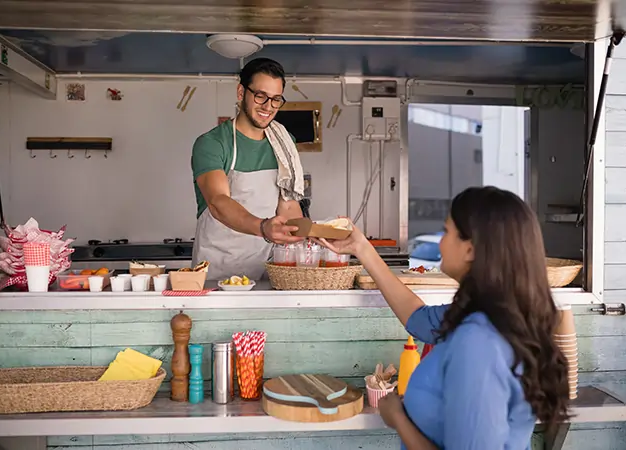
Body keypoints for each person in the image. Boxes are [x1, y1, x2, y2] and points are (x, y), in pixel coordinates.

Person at [317, 186, 570, 450]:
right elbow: (417, 319)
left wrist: (399, 420)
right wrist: (362, 248)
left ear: (470, 249)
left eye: (447, 231)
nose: (440, 241)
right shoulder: (490, 314)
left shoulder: (478, 342)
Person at [191, 58, 305, 281]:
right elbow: (218, 202)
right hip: (217, 271)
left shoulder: (284, 144)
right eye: (260, 96)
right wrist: (263, 228)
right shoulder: (213, 143)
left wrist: (310, 240)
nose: (268, 106)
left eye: (276, 99)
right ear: (241, 92)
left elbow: (289, 205)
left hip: (267, 270)